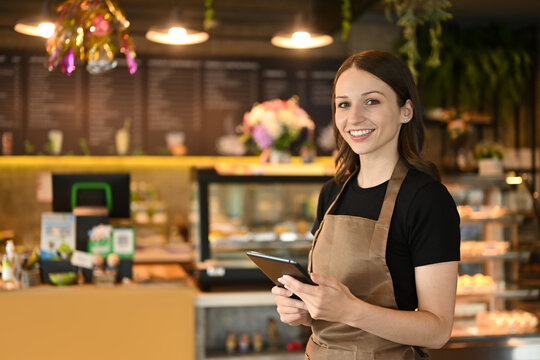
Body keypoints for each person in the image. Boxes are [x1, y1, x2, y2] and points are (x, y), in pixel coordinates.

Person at [272, 50, 460, 359]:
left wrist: (350, 310)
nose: (354, 117)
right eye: (344, 104)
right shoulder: (331, 193)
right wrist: (305, 311)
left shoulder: (427, 200)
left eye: (371, 101)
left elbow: (437, 331)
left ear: (406, 111)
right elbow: (330, 315)